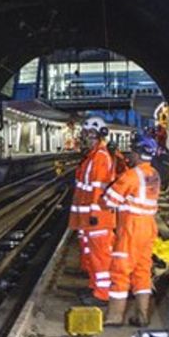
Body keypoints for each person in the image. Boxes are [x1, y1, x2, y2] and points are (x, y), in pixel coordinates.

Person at [102, 134, 161, 326]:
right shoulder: (154, 174)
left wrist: (106, 191)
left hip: (131, 228)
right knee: (142, 271)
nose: (130, 155)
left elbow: (108, 201)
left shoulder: (131, 175)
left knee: (120, 270)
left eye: (132, 151)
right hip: (149, 227)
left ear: (137, 153)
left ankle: (114, 317)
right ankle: (142, 316)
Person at [69, 116, 116, 305]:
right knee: (91, 254)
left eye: (89, 134)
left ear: (99, 135)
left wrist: (94, 214)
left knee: (100, 255)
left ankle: (102, 294)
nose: (85, 138)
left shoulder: (101, 158)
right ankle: (94, 286)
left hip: (97, 217)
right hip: (88, 217)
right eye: (85, 134)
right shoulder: (92, 157)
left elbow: (98, 188)